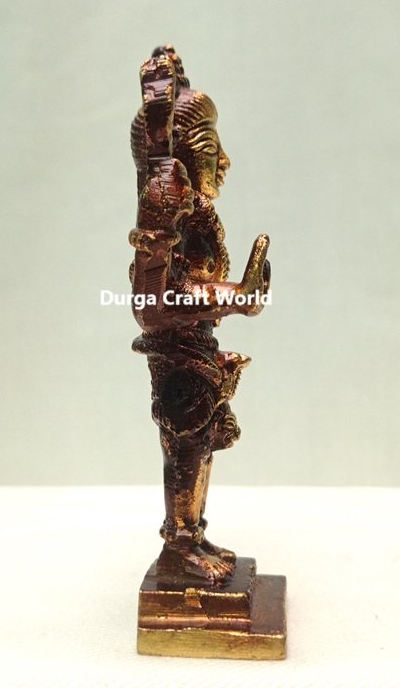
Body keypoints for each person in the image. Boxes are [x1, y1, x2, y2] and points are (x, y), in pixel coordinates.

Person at [129, 46, 270, 582]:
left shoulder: (195, 215)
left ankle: (192, 536)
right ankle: (179, 548)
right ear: (184, 160)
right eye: (213, 150)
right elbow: (152, 304)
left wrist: (235, 295)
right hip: (179, 362)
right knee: (186, 445)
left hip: (196, 353)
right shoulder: (164, 216)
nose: (225, 162)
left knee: (200, 442)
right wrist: (235, 295)